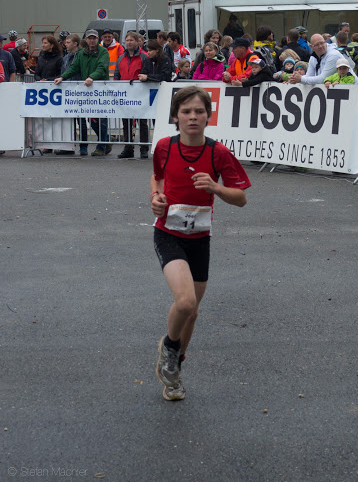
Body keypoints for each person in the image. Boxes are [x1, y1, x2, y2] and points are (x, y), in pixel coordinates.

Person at [151, 85, 251, 401]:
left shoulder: (217, 153)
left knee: (192, 314)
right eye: (186, 111)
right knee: (185, 303)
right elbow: (157, 177)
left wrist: (215, 188)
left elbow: (241, 199)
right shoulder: (164, 147)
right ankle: (169, 346)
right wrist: (155, 197)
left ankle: (174, 368)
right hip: (168, 234)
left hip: (200, 239)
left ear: (208, 116)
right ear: (175, 117)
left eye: (199, 111)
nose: (192, 117)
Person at [54, 29, 111, 157]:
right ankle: (106, 140)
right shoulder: (82, 53)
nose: (92, 40)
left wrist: (91, 77)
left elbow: (102, 68)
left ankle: (101, 146)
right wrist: (63, 77)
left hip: (100, 90)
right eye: (89, 38)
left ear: (97, 39)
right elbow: (74, 68)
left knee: (100, 119)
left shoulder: (103, 52)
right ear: (85, 39)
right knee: (92, 119)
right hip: (87, 90)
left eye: (94, 38)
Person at [114, 31, 150, 160]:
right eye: (127, 40)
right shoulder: (121, 58)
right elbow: (117, 75)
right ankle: (128, 148)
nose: (129, 43)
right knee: (126, 122)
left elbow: (147, 73)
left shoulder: (144, 57)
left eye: (131, 40)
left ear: (137, 42)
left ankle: (144, 148)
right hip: (125, 95)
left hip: (140, 95)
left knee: (142, 122)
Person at [55, 34, 82, 156]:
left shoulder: (81, 55)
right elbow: (63, 72)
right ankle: (68, 145)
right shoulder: (65, 57)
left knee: (81, 119)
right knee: (68, 119)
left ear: (75, 43)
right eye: (65, 42)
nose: (66, 44)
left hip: (78, 89)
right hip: (67, 91)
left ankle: (83, 145)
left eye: (68, 42)